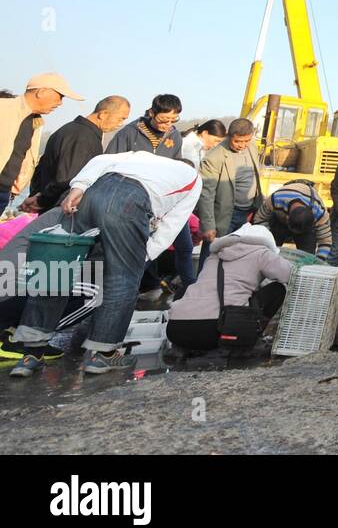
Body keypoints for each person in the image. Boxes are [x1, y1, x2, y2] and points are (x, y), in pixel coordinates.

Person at [9, 151, 201, 377]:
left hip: (90, 194)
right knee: (122, 279)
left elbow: (99, 160)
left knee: (58, 271)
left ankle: (31, 354)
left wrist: (78, 188)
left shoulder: (141, 156)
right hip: (129, 203)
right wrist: (144, 256)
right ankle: (103, 355)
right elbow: (172, 225)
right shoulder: (194, 180)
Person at [167, 223, 293, 352]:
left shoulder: (213, 257)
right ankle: (255, 334)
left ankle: (184, 349)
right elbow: (289, 274)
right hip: (219, 330)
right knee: (277, 289)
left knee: (187, 290)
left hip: (176, 331)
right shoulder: (262, 253)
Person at [24, 95, 131, 213]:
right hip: (61, 209)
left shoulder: (71, 129)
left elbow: (42, 169)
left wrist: (38, 196)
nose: (120, 124)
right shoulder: (83, 137)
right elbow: (67, 178)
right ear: (103, 114)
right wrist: (42, 201)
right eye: (120, 119)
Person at [1, 73, 84, 210]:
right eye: (60, 97)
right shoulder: (4, 109)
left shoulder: (34, 122)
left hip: (5, 191)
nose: (60, 103)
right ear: (41, 92)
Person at [196, 119, 261, 271]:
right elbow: (206, 194)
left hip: (248, 213)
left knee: (236, 258)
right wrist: (208, 225)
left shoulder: (252, 147)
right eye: (238, 141)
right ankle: (201, 288)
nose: (242, 145)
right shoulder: (215, 157)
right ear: (228, 136)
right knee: (212, 257)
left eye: (246, 141)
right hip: (226, 215)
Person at [106, 94, 184, 160]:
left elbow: (176, 165)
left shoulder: (175, 136)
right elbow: (109, 160)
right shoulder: (129, 132)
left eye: (173, 120)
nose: (169, 124)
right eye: (164, 119)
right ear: (152, 113)